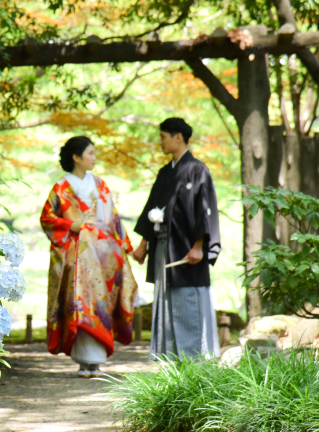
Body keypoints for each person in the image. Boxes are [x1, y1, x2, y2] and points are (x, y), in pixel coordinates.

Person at [40, 136, 138, 378]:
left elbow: (113, 219)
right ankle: (85, 361)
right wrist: (71, 225)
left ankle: (96, 361)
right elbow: (47, 219)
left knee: (100, 303)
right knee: (80, 302)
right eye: (90, 153)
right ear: (76, 157)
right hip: (77, 256)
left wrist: (126, 246)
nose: (94, 158)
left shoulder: (100, 184)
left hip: (102, 255)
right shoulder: (61, 187)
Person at [131, 118, 221, 359]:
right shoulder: (164, 173)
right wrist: (143, 245)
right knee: (166, 302)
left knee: (188, 301)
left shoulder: (197, 169)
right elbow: (152, 208)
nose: (160, 142)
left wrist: (199, 246)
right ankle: (171, 362)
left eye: (163, 137)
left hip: (187, 251)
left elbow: (204, 209)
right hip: (163, 247)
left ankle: (195, 360)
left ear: (178, 137)